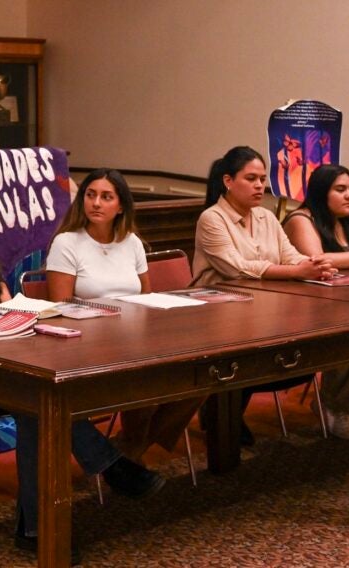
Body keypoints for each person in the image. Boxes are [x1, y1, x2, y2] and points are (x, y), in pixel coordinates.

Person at [0, 177, 164, 564]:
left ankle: (35, 528)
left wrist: (7, 317)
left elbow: (6, 304)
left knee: (35, 400)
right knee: (32, 401)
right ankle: (109, 469)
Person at [45, 168, 202, 461]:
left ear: (120, 206)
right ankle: (131, 447)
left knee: (202, 373)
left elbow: (146, 297)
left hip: (134, 336)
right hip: (88, 343)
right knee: (142, 375)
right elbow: (61, 307)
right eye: (90, 195)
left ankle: (131, 446)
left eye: (106, 197)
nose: (96, 203)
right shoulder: (67, 243)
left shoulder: (131, 242)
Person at [192, 146, 334, 445]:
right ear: (228, 181)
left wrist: (312, 264)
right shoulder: (212, 218)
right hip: (217, 310)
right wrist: (296, 272)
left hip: (264, 304)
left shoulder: (266, 217)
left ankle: (225, 407)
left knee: (301, 362)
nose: (260, 185)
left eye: (262, 178)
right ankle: (222, 412)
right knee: (252, 358)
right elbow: (235, 268)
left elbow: (289, 254)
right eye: (251, 178)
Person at [282, 164, 349, 438]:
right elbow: (318, 260)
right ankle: (335, 404)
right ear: (322, 192)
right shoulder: (301, 219)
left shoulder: (347, 219)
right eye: (341, 189)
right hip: (309, 305)